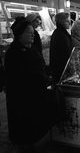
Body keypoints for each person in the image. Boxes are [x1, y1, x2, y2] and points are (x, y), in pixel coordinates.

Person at [4, 17, 53, 152]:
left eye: (33, 31)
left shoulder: (30, 48)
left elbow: (39, 67)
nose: (33, 34)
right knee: (23, 123)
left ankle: (30, 142)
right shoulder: (13, 53)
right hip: (22, 97)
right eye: (29, 32)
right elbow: (21, 76)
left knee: (32, 123)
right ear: (20, 35)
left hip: (33, 94)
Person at [50, 12, 73, 83]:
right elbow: (65, 54)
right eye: (67, 21)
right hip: (61, 71)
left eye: (69, 21)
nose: (69, 23)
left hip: (60, 70)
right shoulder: (61, 35)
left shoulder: (59, 32)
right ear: (61, 22)